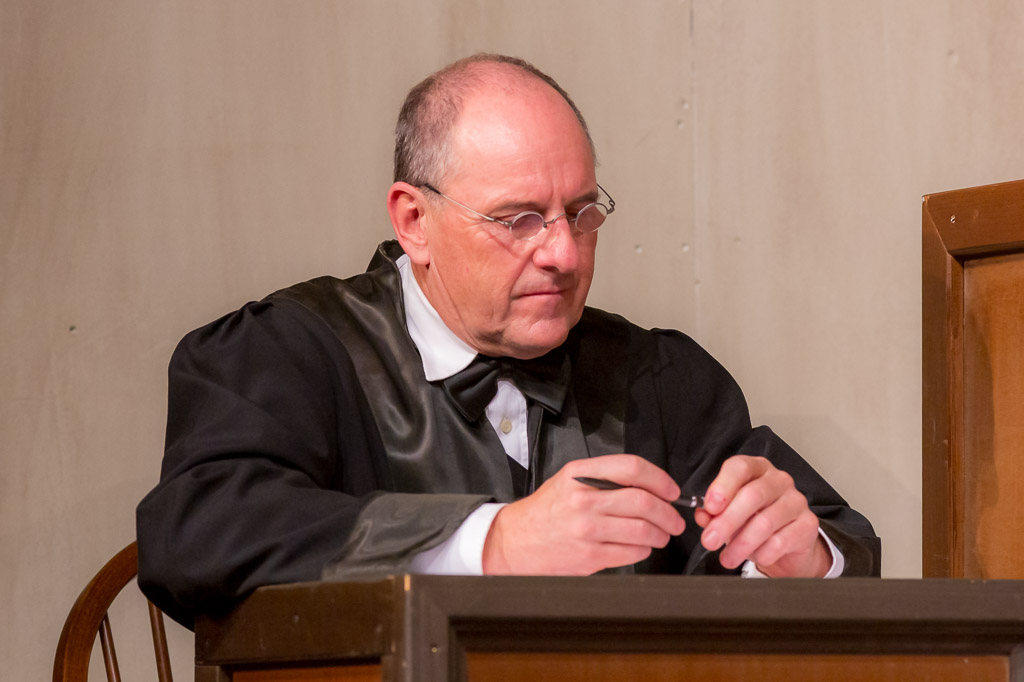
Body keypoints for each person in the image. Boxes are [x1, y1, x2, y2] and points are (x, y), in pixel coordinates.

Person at [137, 53, 880, 628]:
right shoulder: (288, 354)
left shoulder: (656, 377)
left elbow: (841, 547)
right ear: (414, 221)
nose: (562, 253)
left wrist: (795, 558)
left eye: (581, 213)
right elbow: (198, 531)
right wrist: (493, 543)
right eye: (518, 219)